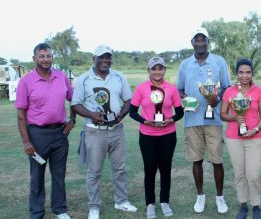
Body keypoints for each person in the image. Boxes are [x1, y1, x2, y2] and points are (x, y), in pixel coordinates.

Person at [71, 45, 137, 219]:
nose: (105, 60)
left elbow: (129, 100)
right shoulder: (84, 79)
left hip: (116, 130)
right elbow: (75, 104)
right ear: (94, 59)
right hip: (94, 132)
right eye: (102, 57)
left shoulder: (118, 77)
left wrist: (122, 114)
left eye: (108, 57)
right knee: (94, 172)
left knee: (120, 169)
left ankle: (121, 201)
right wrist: (91, 114)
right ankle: (94, 207)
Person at [15, 43, 76, 219]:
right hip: (37, 134)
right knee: (37, 175)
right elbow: (21, 115)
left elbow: (74, 100)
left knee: (59, 173)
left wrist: (72, 120)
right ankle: (36, 212)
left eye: (48, 56)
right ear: (34, 59)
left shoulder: (61, 76)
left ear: (52, 58)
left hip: (60, 133)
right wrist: (26, 141)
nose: (45, 59)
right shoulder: (26, 81)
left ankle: (60, 209)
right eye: (41, 56)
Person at [177, 27, 231, 214]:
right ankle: (200, 196)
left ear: (208, 42)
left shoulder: (219, 62)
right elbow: (180, 89)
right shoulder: (185, 64)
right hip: (192, 119)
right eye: (196, 39)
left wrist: (217, 98)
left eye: (203, 40)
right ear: (192, 42)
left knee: (217, 160)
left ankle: (220, 197)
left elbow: (227, 87)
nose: (200, 43)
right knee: (196, 160)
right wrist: (185, 99)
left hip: (213, 119)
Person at [129, 57, 184, 219]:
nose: (157, 71)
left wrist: (171, 119)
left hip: (168, 135)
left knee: (165, 169)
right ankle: (150, 204)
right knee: (150, 169)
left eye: (160, 68)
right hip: (147, 136)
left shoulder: (172, 89)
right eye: (154, 68)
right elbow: (132, 112)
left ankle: (165, 201)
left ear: (164, 70)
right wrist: (145, 121)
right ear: (149, 71)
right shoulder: (141, 88)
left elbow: (180, 112)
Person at [220, 58, 261, 219]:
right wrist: (234, 118)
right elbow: (223, 114)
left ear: (252, 73)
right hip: (234, 138)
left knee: (253, 174)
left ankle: (256, 206)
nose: (244, 75)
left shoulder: (259, 91)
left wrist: (254, 129)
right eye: (241, 72)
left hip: (254, 138)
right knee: (239, 174)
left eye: (248, 72)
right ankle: (243, 205)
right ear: (237, 73)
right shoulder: (229, 92)